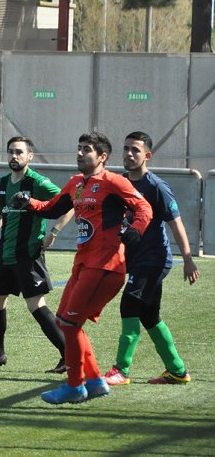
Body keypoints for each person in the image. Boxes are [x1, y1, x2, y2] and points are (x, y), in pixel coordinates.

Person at [11, 131, 152, 404]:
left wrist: (136, 229)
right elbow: (52, 208)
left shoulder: (113, 181)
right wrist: (29, 203)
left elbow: (143, 207)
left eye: (86, 149)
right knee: (65, 322)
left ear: (102, 157)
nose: (79, 153)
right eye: (78, 148)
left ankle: (75, 386)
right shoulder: (76, 183)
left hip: (106, 264)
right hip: (84, 263)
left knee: (70, 323)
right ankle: (96, 381)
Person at [103, 131, 200, 386]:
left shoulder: (156, 186)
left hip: (154, 259)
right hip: (134, 260)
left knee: (129, 304)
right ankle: (177, 371)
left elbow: (176, 224)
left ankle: (121, 370)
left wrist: (188, 259)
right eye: (126, 149)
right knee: (149, 316)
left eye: (135, 150)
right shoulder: (119, 183)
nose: (129, 154)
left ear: (147, 155)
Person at [0, 136, 72, 373]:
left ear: (29, 156)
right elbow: (0, 214)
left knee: (35, 304)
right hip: (5, 251)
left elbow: (70, 203)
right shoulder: (3, 183)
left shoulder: (38, 182)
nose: (14, 156)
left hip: (28, 252)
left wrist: (53, 232)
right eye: (11, 152)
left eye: (19, 152)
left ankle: (68, 355)